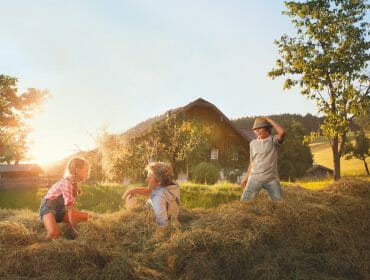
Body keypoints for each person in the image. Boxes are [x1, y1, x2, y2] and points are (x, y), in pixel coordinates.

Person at [39, 157, 90, 239]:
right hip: (48, 209)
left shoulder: (73, 183)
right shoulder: (67, 183)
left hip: (59, 212)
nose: (88, 174)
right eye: (86, 171)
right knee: (54, 233)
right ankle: (42, 247)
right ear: (77, 170)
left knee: (87, 217)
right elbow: (70, 210)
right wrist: (74, 229)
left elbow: (70, 209)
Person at [240, 117, 286, 201]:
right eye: (255, 129)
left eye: (259, 128)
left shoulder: (274, 140)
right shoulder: (253, 143)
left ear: (267, 128)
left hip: (271, 179)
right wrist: (246, 177)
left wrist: (268, 120)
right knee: (244, 203)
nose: (257, 131)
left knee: (279, 204)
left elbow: (282, 132)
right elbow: (252, 162)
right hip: (254, 178)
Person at [122, 162, 180, 227]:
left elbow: (163, 225)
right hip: (172, 217)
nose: (146, 180)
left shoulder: (158, 198)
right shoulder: (172, 186)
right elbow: (150, 190)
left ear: (158, 182)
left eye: (149, 177)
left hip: (151, 224)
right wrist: (134, 190)